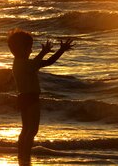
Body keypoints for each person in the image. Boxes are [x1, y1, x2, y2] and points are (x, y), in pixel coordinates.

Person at [7, 28, 74, 164]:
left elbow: (38, 63)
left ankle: (22, 155)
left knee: (25, 129)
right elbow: (47, 62)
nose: (31, 51)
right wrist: (61, 50)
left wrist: (44, 52)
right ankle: (25, 156)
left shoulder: (19, 63)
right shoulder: (25, 64)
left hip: (23, 97)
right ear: (21, 49)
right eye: (29, 48)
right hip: (31, 98)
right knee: (32, 130)